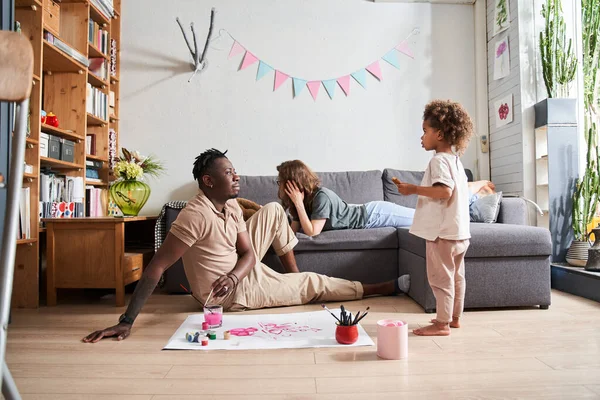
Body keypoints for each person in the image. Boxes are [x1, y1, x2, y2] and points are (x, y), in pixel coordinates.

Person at [83, 149, 410, 343]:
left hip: (238, 277)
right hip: (228, 297)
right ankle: (381, 287)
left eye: (236, 171)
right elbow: (156, 267)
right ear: (209, 181)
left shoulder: (232, 205)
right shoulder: (192, 216)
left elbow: (250, 254)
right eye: (229, 173)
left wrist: (237, 274)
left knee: (271, 210)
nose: (236, 177)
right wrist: (126, 321)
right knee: (314, 282)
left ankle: (290, 283)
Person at [394, 99, 474, 336]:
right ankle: (453, 317)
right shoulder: (456, 161)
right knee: (457, 277)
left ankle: (441, 324)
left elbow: (444, 191)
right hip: (459, 232)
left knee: (440, 279)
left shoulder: (438, 161)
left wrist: (412, 189)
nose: (422, 137)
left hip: (442, 233)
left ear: (439, 134)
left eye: (425, 132)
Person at [276, 160, 416, 237]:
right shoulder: (301, 203)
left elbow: (313, 232)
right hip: (366, 214)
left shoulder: (321, 197)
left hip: (373, 215)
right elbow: (291, 234)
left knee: (420, 218)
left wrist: (298, 204)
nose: (279, 186)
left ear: (293, 183)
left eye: (280, 182)